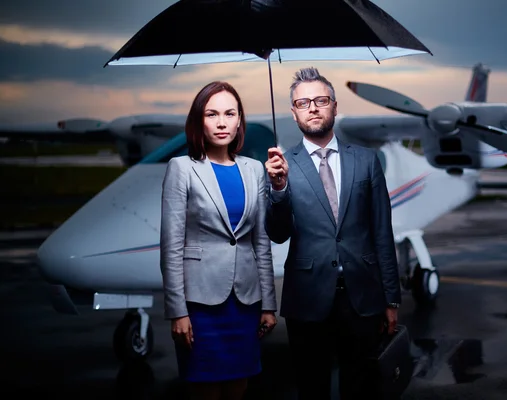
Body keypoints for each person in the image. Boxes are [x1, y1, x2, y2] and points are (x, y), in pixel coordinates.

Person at [264, 67, 401, 400]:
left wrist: (392, 298)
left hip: (363, 298)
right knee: (313, 389)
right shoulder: (282, 164)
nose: (312, 107)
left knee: (363, 388)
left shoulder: (366, 161)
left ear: (335, 106)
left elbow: (382, 231)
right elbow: (278, 234)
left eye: (320, 100)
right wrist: (278, 189)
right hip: (307, 299)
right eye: (303, 102)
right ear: (294, 112)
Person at [160, 81, 277, 400]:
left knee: (239, 386)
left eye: (230, 113)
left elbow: (261, 244)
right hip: (200, 306)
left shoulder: (254, 170)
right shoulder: (181, 168)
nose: (222, 122)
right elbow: (171, 246)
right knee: (206, 389)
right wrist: (177, 311)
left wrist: (268, 304)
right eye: (212, 114)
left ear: (240, 120)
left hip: (245, 303)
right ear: (199, 120)